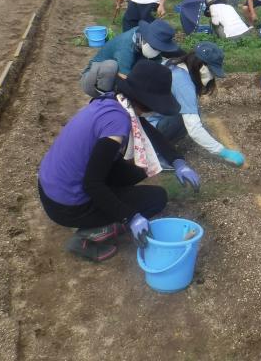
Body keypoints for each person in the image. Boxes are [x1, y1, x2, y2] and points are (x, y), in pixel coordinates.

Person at [38, 60, 200, 262]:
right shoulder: (118, 124)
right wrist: (130, 216)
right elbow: (92, 184)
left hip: (52, 187)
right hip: (67, 205)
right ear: (149, 103)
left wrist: (178, 162)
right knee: (156, 198)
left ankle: (107, 212)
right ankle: (88, 237)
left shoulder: (116, 101)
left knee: (141, 168)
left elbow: (149, 132)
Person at [149, 43, 246, 167]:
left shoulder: (174, 64)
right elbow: (194, 129)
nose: (211, 77)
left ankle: (155, 145)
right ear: (202, 67)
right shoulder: (183, 84)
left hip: (140, 121)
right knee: (186, 117)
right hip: (146, 129)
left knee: (191, 112)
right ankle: (155, 153)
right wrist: (223, 152)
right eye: (211, 71)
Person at [80, 19, 180, 98]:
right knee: (111, 66)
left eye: (159, 48)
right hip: (93, 80)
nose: (157, 50)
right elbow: (125, 80)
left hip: (116, 77)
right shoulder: (126, 46)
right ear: (146, 39)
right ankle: (105, 100)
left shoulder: (143, 36)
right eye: (155, 46)